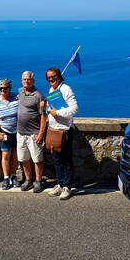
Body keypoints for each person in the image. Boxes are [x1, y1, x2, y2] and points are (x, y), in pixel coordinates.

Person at [45, 67, 79, 200]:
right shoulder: (51, 91)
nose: (51, 79)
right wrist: (46, 108)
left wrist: (58, 113)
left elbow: (75, 108)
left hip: (65, 130)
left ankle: (67, 187)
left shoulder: (66, 89)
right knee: (56, 159)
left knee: (66, 159)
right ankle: (59, 184)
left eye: (53, 77)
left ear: (59, 76)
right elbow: (52, 108)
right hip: (54, 129)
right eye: (48, 78)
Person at [16, 71, 47, 193]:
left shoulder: (38, 95)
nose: (26, 81)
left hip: (34, 133)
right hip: (21, 133)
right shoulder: (20, 93)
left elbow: (44, 116)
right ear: (21, 81)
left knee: (37, 159)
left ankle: (38, 181)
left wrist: (41, 133)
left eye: (29, 79)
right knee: (24, 158)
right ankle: (28, 180)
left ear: (33, 81)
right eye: (24, 79)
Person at [0, 78, 19, 190]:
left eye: (5, 88)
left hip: (17, 131)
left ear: (9, 88)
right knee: (6, 155)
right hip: (4, 131)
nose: (3, 90)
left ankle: (13, 176)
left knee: (16, 155)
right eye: (0, 88)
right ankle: (6, 177)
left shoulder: (17, 98)